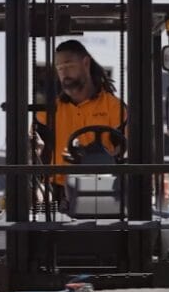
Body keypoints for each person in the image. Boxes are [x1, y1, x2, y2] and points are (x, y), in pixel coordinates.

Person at [33, 40, 127, 196]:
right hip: (57, 191)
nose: (64, 72)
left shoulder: (114, 107)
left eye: (69, 65)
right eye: (60, 68)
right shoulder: (49, 111)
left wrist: (92, 158)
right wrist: (33, 146)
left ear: (86, 63)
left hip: (103, 188)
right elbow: (34, 148)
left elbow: (126, 150)